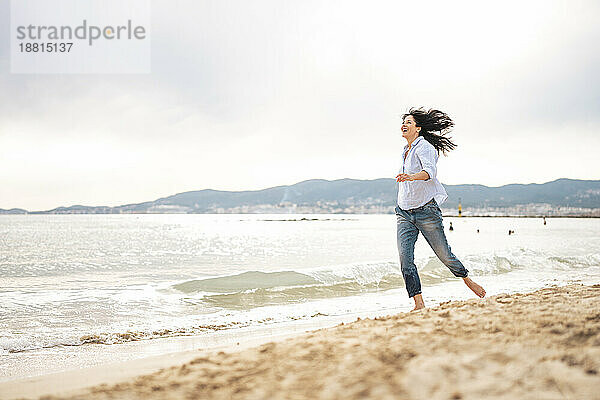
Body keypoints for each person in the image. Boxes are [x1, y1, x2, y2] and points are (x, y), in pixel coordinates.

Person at [395, 107, 486, 311]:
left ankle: (466, 279)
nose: (405, 125)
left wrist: (411, 176)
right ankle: (419, 303)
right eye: (404, 122)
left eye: (409, 122)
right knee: (405, 259)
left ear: (418, 128)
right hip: (404, 213)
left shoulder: (424, 147)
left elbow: (430, 173)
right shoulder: (405, 150)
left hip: (426, 211)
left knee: (444, 255)